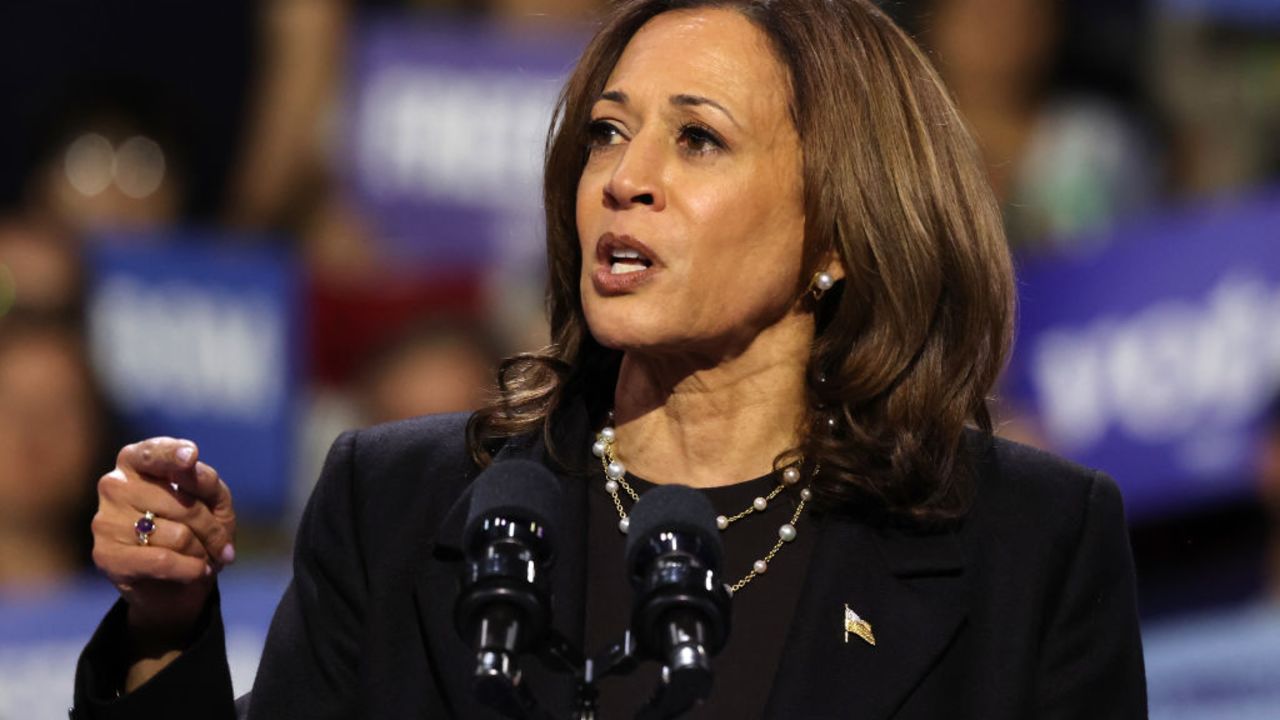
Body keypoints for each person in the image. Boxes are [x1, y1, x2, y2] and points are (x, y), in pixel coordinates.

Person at [72, 0, 1147, 718]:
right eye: (604, 132)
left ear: (836, 232)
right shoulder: (397, 504)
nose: (623, 179)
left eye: (697, 139)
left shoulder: (1025, 545)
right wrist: (164, 631)